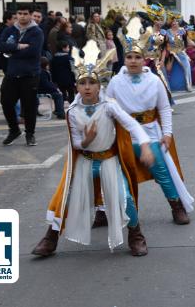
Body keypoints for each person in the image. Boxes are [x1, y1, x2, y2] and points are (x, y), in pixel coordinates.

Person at [31, 49, 155, 257]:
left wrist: (144, 145)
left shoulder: (109, 106)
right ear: (76, 86)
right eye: (82, 83)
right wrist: (87, 139)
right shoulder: (72, 111)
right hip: (86, 161)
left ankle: (136, 236)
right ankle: (50, 239)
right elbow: (77, 144)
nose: (87, 87)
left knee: (125, 198)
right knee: (66, 197)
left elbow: (132, 125)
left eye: (92, 82)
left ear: (100, 86)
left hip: (109, 160)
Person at [107, 33, 194, 226]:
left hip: (150, 133)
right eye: (129, 57)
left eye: (137, 57)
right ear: (124, 59)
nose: (133, 61)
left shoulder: (154, 81)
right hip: (124, 135)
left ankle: (176, 206)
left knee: (161, 170)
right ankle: (105, 211)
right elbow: (107, 108)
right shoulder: (115, 82)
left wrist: (167, 133)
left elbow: (164, 108)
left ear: (143, 58)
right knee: (117, 175)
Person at [0, 3, 44, 146]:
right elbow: (1, 46)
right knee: (6, 101)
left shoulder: (36, 32)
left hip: (30, 74)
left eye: (25, 13)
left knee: (29, 106)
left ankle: (30, 134)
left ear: (30, 15)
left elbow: (33, 52)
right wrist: (18, 46)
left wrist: (12, 51)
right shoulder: (10, 30)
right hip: (12, 73)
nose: (22, 16)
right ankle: (14, 130)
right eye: (19, 13)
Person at [162, 19, 192, 92]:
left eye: (176, 21)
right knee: (168, 68)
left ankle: (188, 85)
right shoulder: (167, 32)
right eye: (172, 22)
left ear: (178, 23)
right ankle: (167, 85)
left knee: (186, 65)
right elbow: (166, 44)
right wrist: (170, 51)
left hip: (181, 52)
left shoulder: (182, 30)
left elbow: (186, 41)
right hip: (171, 52)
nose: (174, 23)